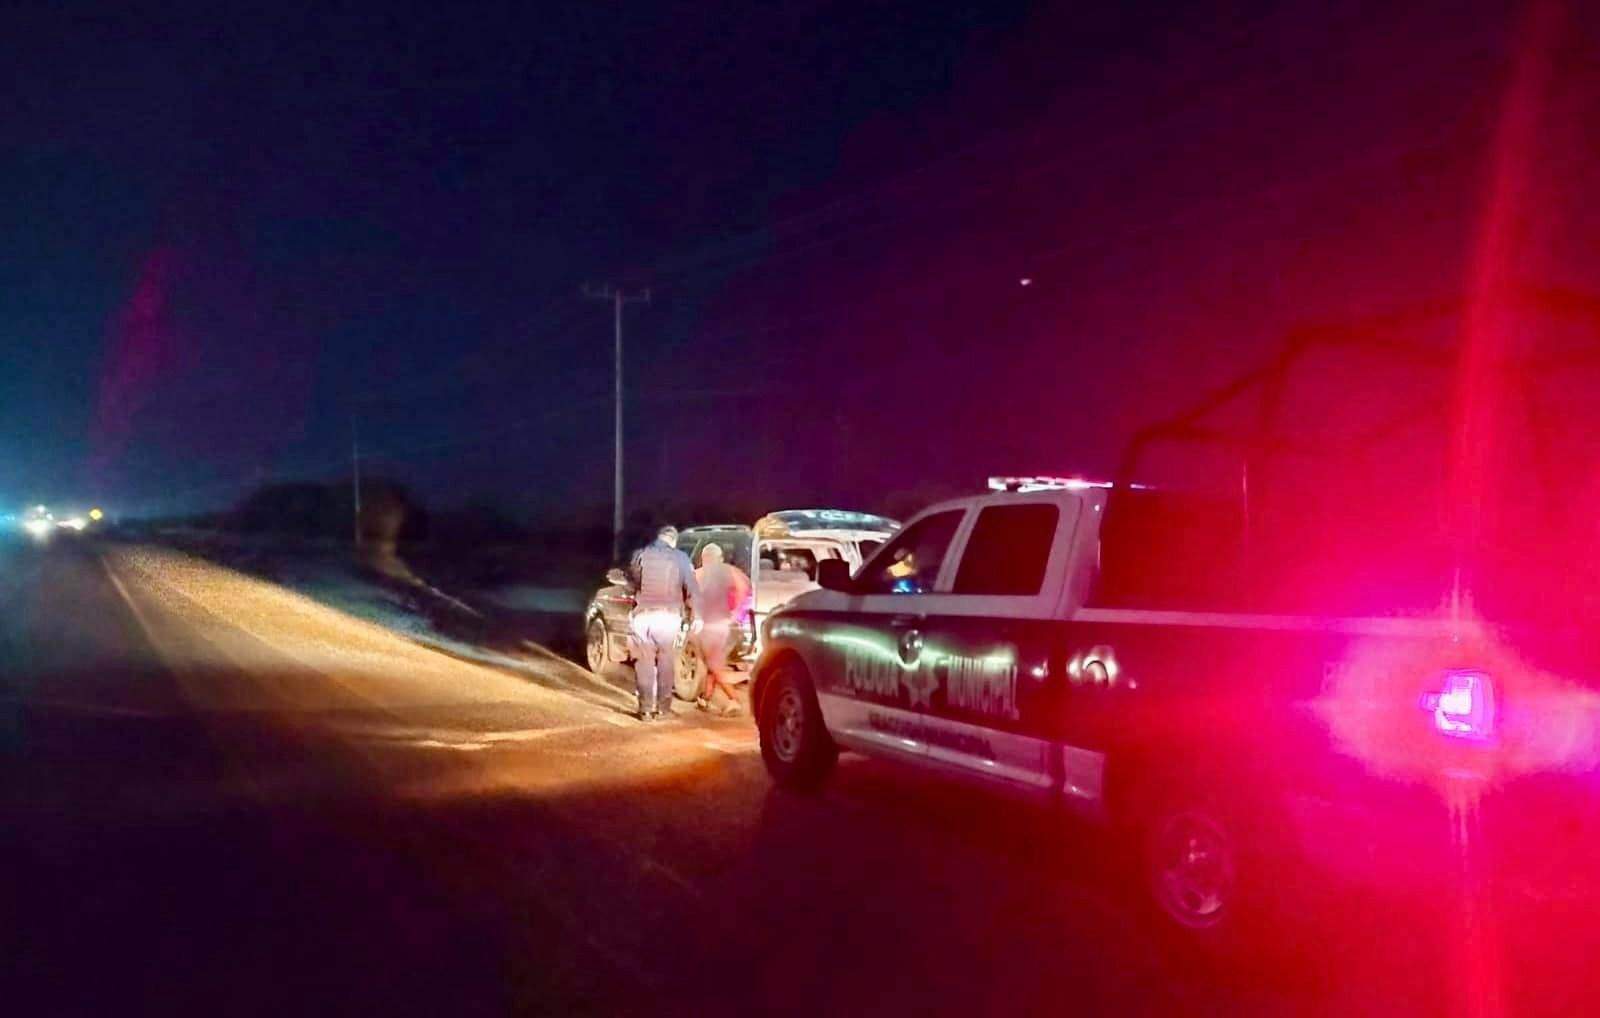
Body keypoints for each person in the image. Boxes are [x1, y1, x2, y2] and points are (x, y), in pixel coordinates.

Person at [626, 525, 700, 721]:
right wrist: (696, 616)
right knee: (666, 660)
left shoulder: (640, 555)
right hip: (668, 617)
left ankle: (645, 710)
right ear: (673, 541)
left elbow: (632, 581)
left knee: (644, 661)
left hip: (642, 616)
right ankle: (663, 710)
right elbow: (691, 588)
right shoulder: (680, 558)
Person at [692, 542, 752, 716]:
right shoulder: (731, 571)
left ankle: (734, 700)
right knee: (714, 662)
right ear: (720, 558)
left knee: (714, 665)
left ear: (704, 558)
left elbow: (690, 598)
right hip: (726, 626)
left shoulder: (698, 574)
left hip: (708, 626)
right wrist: (737, 612)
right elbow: (745, 589)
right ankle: (705, 698)